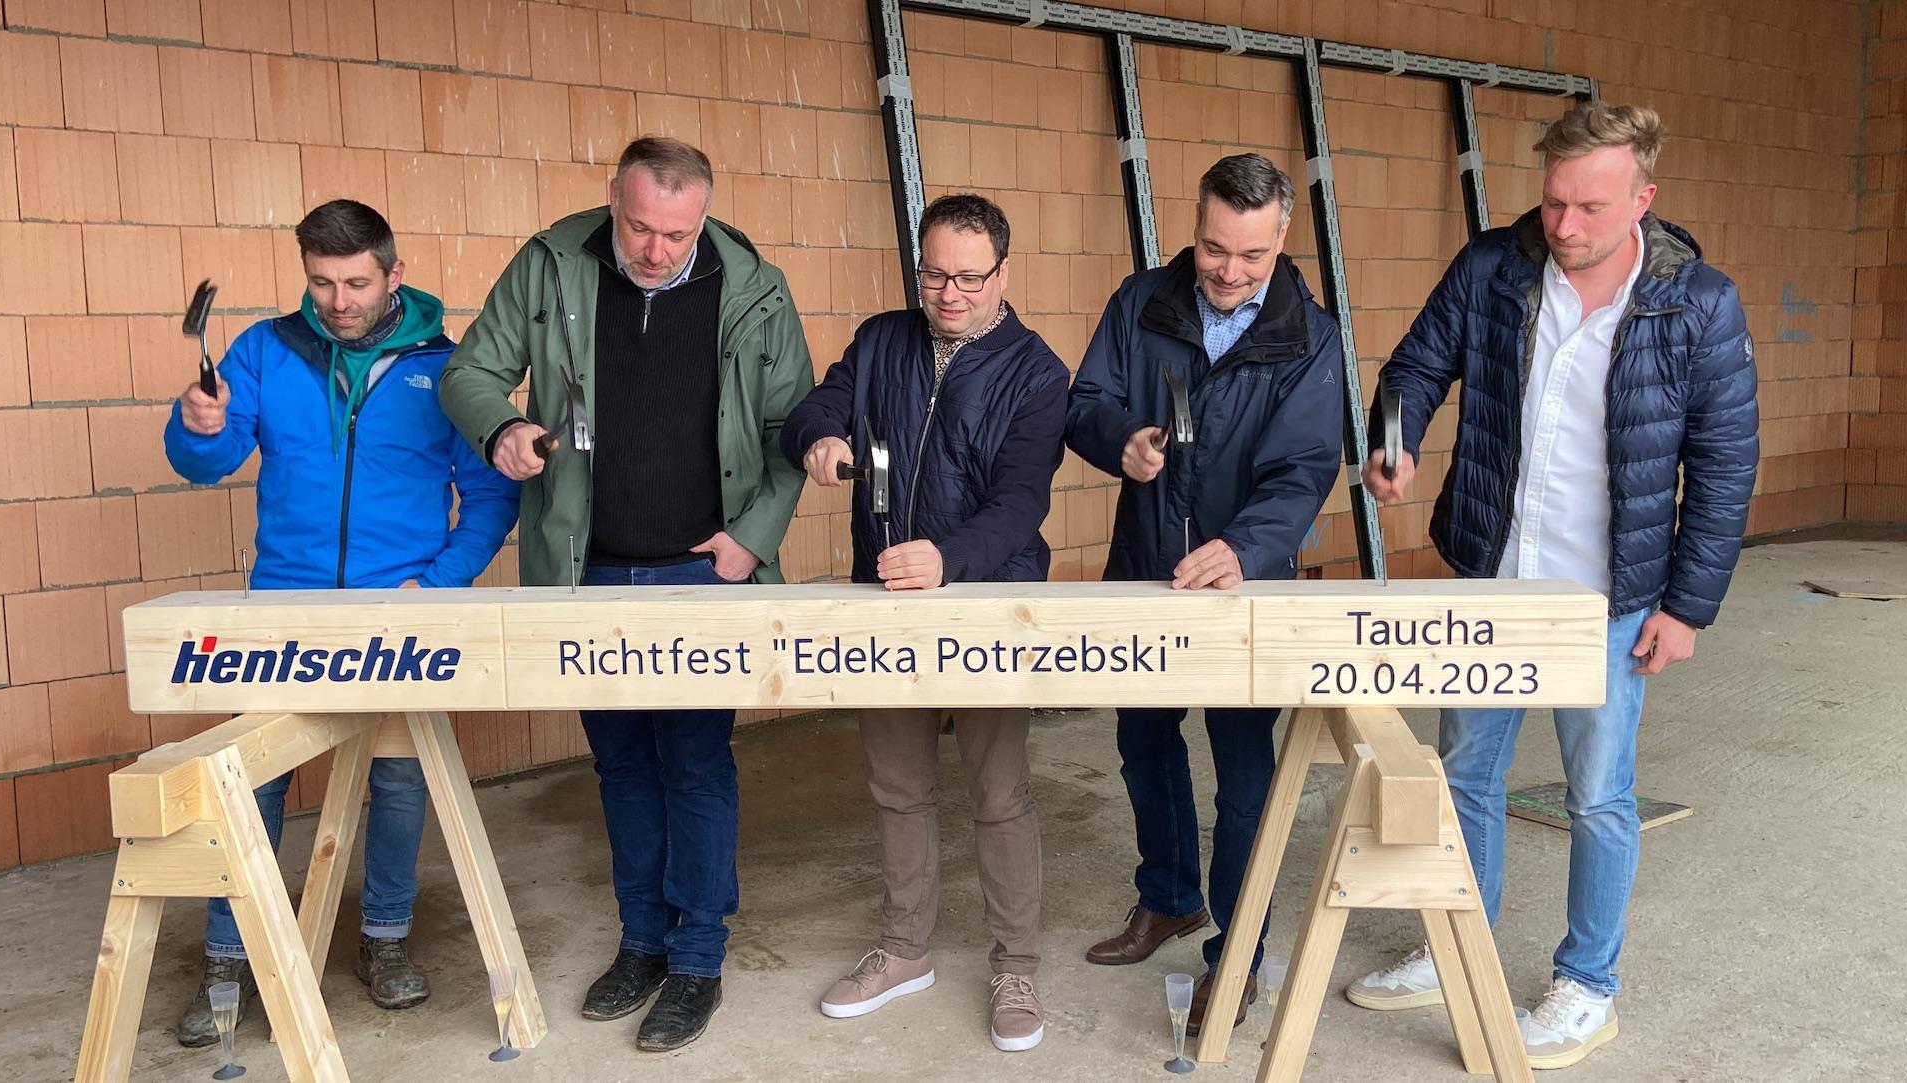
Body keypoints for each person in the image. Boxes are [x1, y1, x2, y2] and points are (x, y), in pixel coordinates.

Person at [1345, 101, 1758, 1070]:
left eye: (1589, 207)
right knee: (1463, 776)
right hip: (1494, 578)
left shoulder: (1699, 304)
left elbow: (1727, 462)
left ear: (1643, 199)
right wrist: (1392, 442)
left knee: (1600, 798)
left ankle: (1587, 988)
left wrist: (1688, 606)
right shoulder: (1494, 265)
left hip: (1612, 598)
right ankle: (1461, 943)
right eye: (1553, 201)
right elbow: (1415, 366)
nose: (1564, 225)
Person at [438, 136, 813, 1052]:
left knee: (694, 762)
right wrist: (504, 430)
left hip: (702, 572)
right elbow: (469, 372)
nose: (655, 250)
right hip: (587, 567)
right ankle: (641, 941)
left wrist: (749, 541)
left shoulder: (754, 287)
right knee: (621, 765)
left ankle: (699, 959)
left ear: (705, 216)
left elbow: (791, 427)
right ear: (613, 202)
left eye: (676, 234)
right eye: (640, 227)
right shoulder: (551, 262)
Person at [162, 199, 520, 1046]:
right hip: (283, 604)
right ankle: (226, 954)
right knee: (250, 780)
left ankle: (384, 940)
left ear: (395, 273)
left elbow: (494, 492)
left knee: (397, 777)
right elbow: (202, 463)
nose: (338, 299)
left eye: (356, 281)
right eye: (321, 281)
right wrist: (198, 425)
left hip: (399, 609)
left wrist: (437, 585)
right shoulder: (262, 350)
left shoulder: (449, 367)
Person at [1065, 154, 1345, 1034]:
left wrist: (1246, 548)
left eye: (1251, 257)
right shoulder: (1141, 300)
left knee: (1245, 774)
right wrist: (1123, 442)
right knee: (1143, 744)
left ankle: (1240, 951)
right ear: (1195, 225)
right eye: (1214, 248)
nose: (1228, 271)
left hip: (1242, 591)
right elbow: (1085, 402)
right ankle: (1169, 896)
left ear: (1282, 239)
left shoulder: (1312, 335)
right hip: (1145, 569)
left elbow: (1305, 466)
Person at [782, 193, 1068, 1052]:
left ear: (1003, 275)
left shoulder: (1038, 373)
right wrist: (821, 439)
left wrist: (949, 557)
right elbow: (814, 407)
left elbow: (1021, 502)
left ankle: (1015, 960)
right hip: (886, 604)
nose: (949, 293)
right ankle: (906, 947)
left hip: (985, 601)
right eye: (936, 273)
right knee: (897, 785)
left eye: (969, 278)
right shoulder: (881, 341)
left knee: (998, 791)